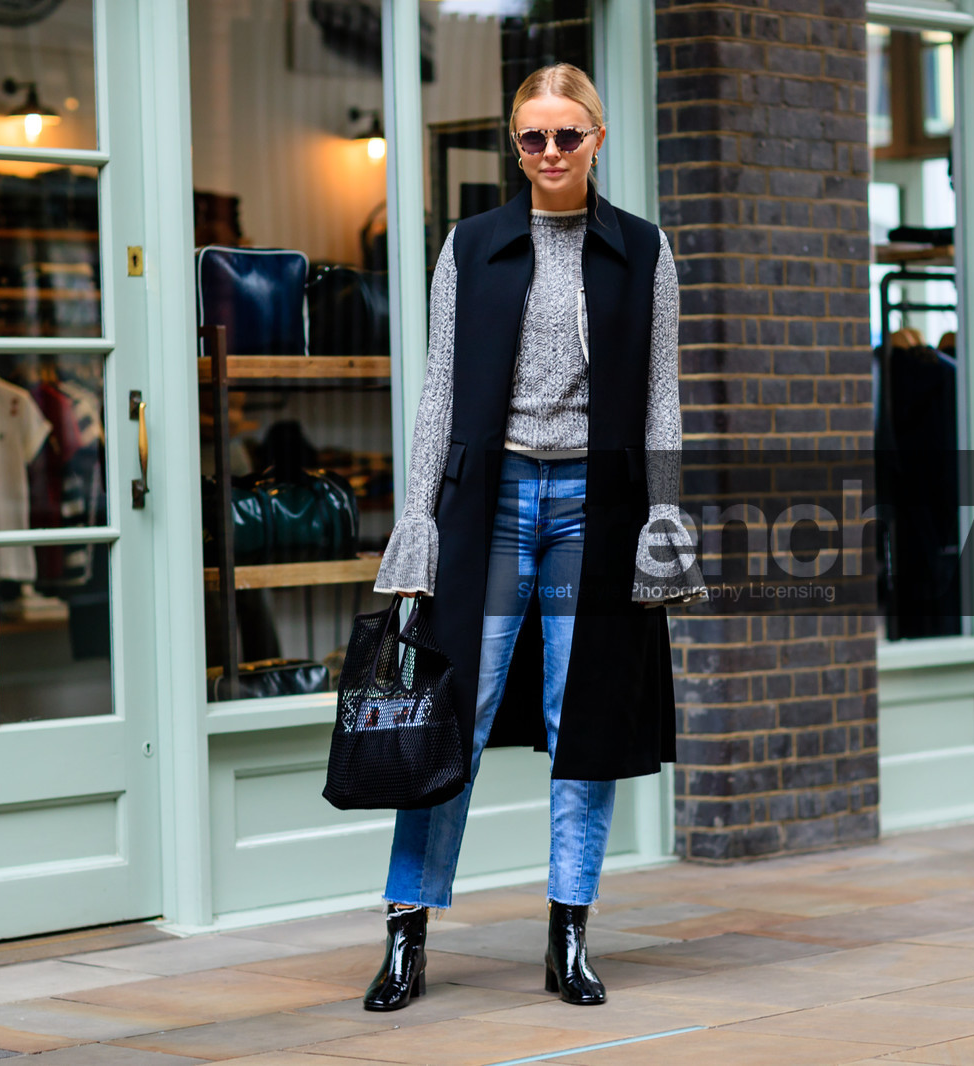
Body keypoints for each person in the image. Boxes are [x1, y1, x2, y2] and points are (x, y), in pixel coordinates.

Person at [363, 62, 705, 1013]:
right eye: (531, 138)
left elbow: (662, 397)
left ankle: (568, 933)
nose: (549, 153)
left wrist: (666, 517)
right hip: (491, 503)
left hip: (599, 507)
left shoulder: (643, 249)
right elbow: (436, 393)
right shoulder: (470, 246)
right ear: (514, 144)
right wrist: (418, 521)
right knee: (451, 720)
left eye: (567, 136)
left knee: (581, 717)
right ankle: (405, 931)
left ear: (599, 137)